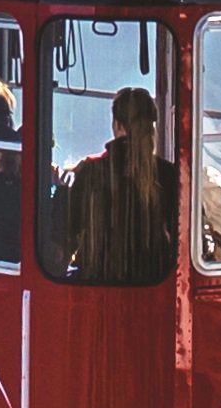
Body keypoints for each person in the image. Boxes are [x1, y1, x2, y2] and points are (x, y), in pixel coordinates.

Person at [53, 83, 171, 283]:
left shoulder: (91, 172)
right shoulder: (169, 175)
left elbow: (62, 231)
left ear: (117, 125)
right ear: (153, 128)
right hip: (155, 286)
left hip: (95, 283)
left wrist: (62, 188)